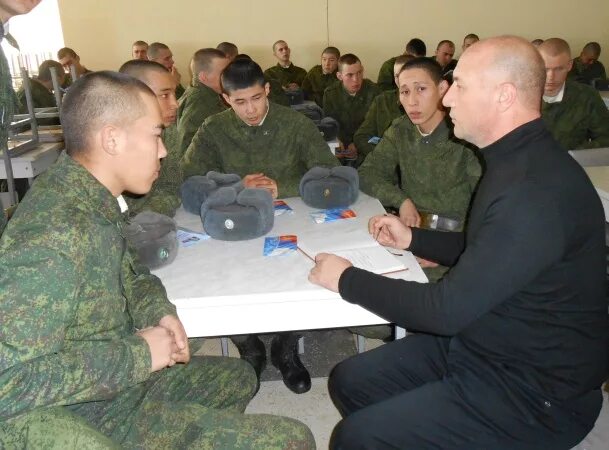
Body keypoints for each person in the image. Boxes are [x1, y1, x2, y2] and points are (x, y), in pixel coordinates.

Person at [309, 35, 608, 449]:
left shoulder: (534, 190)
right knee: (350, 380)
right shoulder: (514, 160)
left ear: (504, 96)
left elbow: (446, 311)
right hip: (487, 342)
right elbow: (488, 247)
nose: (447, 99)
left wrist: (346, 278)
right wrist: (415, 237)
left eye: (461, 86)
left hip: (535, 392)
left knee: (355, 438)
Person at [0, 70, 314, 449]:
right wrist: (139, 354)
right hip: (86, 414)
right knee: (293, 440)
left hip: (115, 384)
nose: (164, 150)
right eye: (155, 135)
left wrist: (158, 313)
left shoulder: (90, 197)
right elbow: (9, 381)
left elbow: (130, 272)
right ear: (112, 139)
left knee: (240, 379)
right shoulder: (53, 234)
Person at [182, 58, 339, 394]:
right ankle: (248, 345)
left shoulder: (294, 124)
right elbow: (189, 180)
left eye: (256, 98)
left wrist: (282, 185)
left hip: (292, 221)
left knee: (306, 274)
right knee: (218, 276)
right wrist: (237, 185)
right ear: (226, 99)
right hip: (232, 224)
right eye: (239, 102)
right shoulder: (213, 128)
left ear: (267, 90)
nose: (250, 110)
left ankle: (286, 347)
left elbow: (328, 171)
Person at [359, 56, 480, 284]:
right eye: (404, 92)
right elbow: (367, 173)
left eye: (421, 89)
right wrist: (402, 200)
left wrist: (446, 251)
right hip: (409, 235)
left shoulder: (465, 137)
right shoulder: (401, 130)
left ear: (443, 89)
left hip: (457, 246)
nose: (412, 101)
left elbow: (488, 207)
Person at [119, 59, 182, 217]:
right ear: (133, 96)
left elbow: (170, 188)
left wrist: (145, 217)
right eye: (165, 95)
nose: (175, 104)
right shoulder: (111, 139)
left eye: (174, 94)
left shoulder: (168, 131)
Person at [538, 38, 609, 149]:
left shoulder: (587, 97)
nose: (550, 77)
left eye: (558, 69)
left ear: (569, 65)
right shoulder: (520, 96)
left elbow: (605, 138)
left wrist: (576, 154)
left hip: (573, 163)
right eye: (545, 69)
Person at [353, 54, 411, 165]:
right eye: (396, 75)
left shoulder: (427, 104)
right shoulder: (382, 101)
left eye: (405, 75)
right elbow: (361, 136)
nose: (400, 80)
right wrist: (382, 155)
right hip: (383, 164)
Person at [323, 53, 381, 164]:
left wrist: (358, 144)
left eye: (359, 73)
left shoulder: (374, 92)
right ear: (339, 76)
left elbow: (377, 126)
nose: (356, 79)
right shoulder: (330, 93)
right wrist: (336, 139)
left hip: (365, 142)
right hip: (341, 142)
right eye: (349, 75)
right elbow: (330, 123)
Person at [176, 48, 229, 158]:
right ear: (204, 77)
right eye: (224, 73)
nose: (229, 76)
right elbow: (186, 149)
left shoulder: (200, 93)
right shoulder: (201, 103)